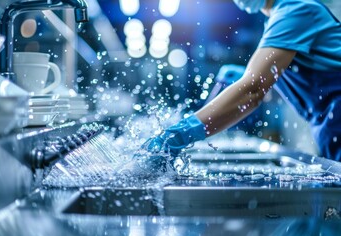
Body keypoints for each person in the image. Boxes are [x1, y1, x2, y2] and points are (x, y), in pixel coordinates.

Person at [144, 0, 341, 162]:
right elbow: (268, 87)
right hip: (330, 126)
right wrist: (243, 78)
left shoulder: (297, 10)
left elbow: (254, 90)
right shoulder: (280, 16)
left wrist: (180, 134)